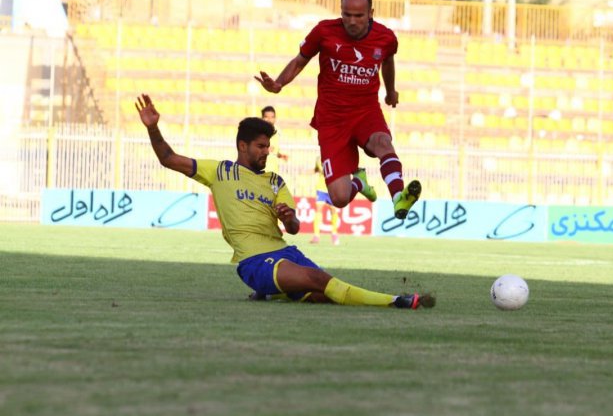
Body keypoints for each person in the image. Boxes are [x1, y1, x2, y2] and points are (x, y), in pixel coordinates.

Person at [135, 93, 434, 309]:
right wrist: (152, 127)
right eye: (261, 146)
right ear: (242, 146)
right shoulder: (220, 171)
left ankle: (274, 293)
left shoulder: (276, 181)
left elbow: (293, 227)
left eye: (268, 146)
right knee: (319, 279)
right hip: (253, 262)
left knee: (322, 294)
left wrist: (287, 217)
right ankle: (395, 301)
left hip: (285, 251)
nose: (266, 151)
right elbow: (168, 158)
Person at [254, 0, 421, 220]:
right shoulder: (324, 32)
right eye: (346, 14)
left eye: (358, 16)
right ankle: (359, 184)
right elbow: (300, 61)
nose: (352, 21)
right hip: (332, 119)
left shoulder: (386, 38)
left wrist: (391, 91)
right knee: (340, 198)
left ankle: (398, 198)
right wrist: (279, 84)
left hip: (366, 111)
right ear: (341, 12)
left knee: (384, 143)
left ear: (370, 12)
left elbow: (388, 62)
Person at [310, 155, 340, 245]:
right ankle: (316, 236)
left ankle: (334, 234)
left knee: (333, 210)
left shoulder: (335, 158)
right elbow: (317, 170)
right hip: (321, 188)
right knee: (319, 209)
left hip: (332, 188)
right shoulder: (319, 158)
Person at [260, 105, 288, 173]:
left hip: (274, 171)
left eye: (272, 117)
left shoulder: (277, 133)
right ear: (262, 118)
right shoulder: (257, 132)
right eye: (266, 117)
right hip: (261, 171)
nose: (269, 120)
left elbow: (274, 152)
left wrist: (281, 155)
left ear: (275, 119)